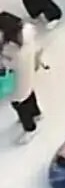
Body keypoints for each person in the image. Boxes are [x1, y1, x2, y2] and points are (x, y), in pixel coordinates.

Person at [0, 9, 43, 137]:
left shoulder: (9, 50)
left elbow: (6, 66)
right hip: (28, 72)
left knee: (19, 104)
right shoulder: (26, 34)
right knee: (29, 93)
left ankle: (30, 128)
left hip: (16, 80)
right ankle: (36, 113)